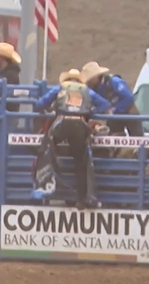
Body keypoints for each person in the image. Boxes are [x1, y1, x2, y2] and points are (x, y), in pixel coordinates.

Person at [33, 69, 111, 210]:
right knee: (80, 162)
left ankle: (44, 184)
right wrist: (90, 112)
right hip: (80, 124)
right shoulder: (87, 90)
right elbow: (105, 105)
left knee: (46, 149)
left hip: (61, 124)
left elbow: (40, 104)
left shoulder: (60, 88)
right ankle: (81, 199)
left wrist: (51, 109)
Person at [80, 61, 142, 137]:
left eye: (90, 79)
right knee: (113, 139)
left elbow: (128, 98)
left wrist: (114, 109)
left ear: (96, 76)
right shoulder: (92, 88)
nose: (88, 81)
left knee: (138, 139)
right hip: (113, 117)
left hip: (129, 113)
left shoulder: (114, 81)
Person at [0, 42, 22, 112]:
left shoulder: (11, 75)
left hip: (7, 113)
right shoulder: (3, 73)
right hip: (2, 111)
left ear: (2, 58)